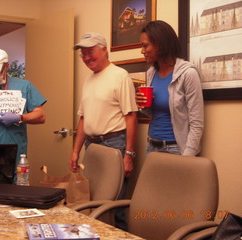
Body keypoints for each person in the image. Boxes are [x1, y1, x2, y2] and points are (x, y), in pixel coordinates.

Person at [69, 32, 138, 230]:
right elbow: (84, 117)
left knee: (114, 204)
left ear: (104, 49)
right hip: (92, 146)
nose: (87, 58)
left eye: (91, 52)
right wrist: (75, 151)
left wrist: (129, 155)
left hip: (114, 145)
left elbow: (131, 116)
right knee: (91, 200)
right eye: (83, 54)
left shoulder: (120, 76)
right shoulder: (89, 79)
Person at [136, 20, 204, 156]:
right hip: (152, 145)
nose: (142, 51)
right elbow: (154, 113)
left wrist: (188, 156)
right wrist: (142, 104)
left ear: (160, 45)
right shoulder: (151, 73)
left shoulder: (188, 73)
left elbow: (197, 123)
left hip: (176, 149)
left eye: (145, 46)